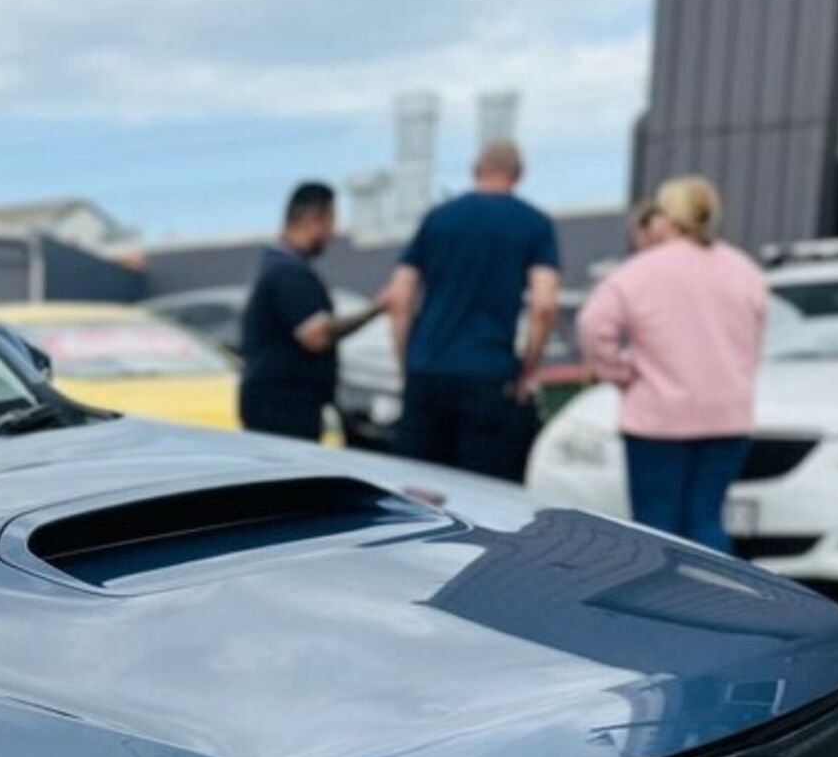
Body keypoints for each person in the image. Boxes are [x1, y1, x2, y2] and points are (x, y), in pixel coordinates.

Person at [576, 174, 768, 553]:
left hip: (658, 419)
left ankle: (656, 609)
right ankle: (712, 606)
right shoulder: (745, 269)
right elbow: (754, 339)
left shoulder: (639, 271)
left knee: (656, 529)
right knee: (708, 521)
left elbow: (593, 324)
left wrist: (621, 372)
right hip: (726, 417)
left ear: (669, 218)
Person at [379, 140, 561, 479]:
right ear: (518, 174)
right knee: (483, 499)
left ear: (476, 170)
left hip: (428, 374)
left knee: (418, 493)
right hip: (489, 376)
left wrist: (408, 363)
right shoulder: (534, 224)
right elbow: (545, 306)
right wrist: (527, 370)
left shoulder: (436, 220)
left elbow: (399, 297)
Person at [237, 180, 382, 440]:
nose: (333, 233)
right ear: (315, 219)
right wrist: (378, 308)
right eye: (330, 222)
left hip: (276, 403)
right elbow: (317, 335)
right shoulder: (288, 272)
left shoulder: (273, 265)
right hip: (285, 408)